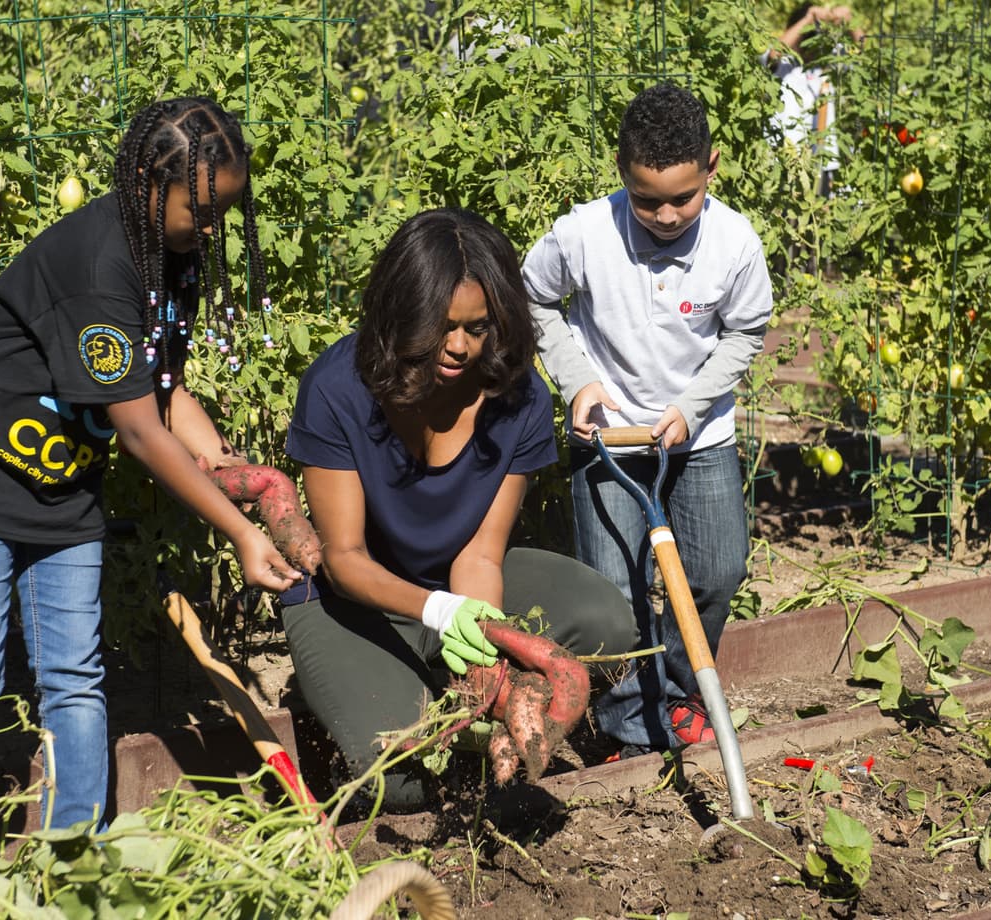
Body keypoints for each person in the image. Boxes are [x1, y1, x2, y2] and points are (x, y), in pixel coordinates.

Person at [0, 96, 302, 847]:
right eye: (200, 210)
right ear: (149, 180)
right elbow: (139, 432)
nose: (210, 229)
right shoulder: (100, 264)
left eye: (223, 214)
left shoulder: (172, 258)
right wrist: (238, 528)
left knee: (75, 671)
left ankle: (77, 852)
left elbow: (164, 389)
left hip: (58, 480)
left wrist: (219, 461)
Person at [280, 207, 636, 810]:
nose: (458, 346)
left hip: (453, 577)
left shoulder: (515, 396)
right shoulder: (340, 387)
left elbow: (479, 551)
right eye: (440, 325)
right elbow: (343, 558)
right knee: (398, 780)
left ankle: (437, 689)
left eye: (478, 328)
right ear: (401, 310)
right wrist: (440, 611)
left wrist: (488, 650)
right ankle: (354, 683)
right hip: (349, 600)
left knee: (608, 620)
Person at [521, 83, 774, 759]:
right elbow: (533, 300)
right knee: (613, 590)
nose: (665, 214)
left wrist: (691, 409)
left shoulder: (735, 244)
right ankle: (631, 720)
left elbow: (745, 332)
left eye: (682, 198)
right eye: (646, 199)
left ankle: (685, 692)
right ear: (621, 173)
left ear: (712, 167)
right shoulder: (582, 235)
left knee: (718, 572)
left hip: (699, 435)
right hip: (608, 437)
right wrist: (578, 383)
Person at [763, 4, 865, 197]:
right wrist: (807, 20)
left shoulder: (831, 61)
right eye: (807, 35)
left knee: (817, 216)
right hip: (783, 157)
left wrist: (850, 21)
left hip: (822, 159)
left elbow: (863, 52)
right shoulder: (783, 63)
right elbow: (773, 53)